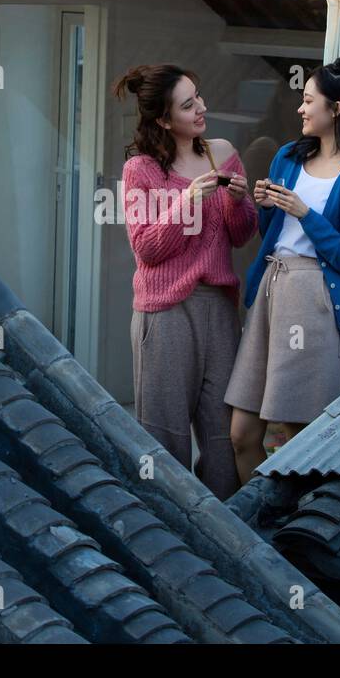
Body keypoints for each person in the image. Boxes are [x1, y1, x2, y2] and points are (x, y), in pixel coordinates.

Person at [226, 56, 340, 484]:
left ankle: (295, 531)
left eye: (309, 100)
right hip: (271, 290)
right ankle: (256, 526)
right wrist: (263, 205)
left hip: (313, 300)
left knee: (299, 437)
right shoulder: (287, 157)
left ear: (336, 110)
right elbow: (270, 235)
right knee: (241, 433)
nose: (300, 109)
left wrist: (305, 212)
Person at [117, 63, 257, 499]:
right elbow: (147, 248)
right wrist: (187, 202)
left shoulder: (223, 152)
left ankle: (228, 536)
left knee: (225, 437)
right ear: (163, 119)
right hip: (165, 312)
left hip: (219, 307)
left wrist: (237, 202)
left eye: (198, 97)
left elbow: (241, 234)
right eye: (188, 104)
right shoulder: (141, 170)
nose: (201, 109)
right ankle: (172, 537)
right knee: (165, 437)